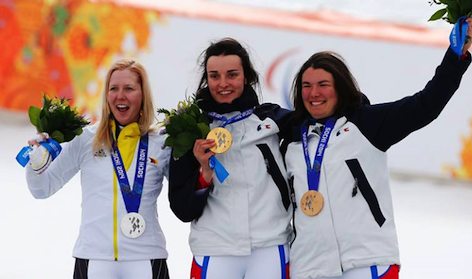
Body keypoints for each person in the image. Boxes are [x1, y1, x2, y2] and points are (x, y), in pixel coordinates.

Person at [282, 19, 472, 279]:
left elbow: (426, 104)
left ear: (340, 88)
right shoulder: (290, 140)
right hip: (309, 268)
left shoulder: (367, 124)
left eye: (323, 85)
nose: (314, 93)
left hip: (368, 262)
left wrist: (455, 57)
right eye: (306, 86)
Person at [25, 59, 171, 279]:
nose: (120, 96)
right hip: (93, 259)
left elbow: (187, 197)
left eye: (129, 88)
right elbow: (42, 189)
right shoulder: (86, 140)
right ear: (106, 95)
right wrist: (35, 163)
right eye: (114, 88)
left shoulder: (160, 143)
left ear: (143, 95)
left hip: (146, 259)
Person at [168, 38, 293, 279]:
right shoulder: (190, 130)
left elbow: (322, 116)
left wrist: (355, 101)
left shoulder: (273, 120)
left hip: (269, 248)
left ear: (246, 77)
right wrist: (204, 173)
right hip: (215, 251)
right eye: (214, 76)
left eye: (232, 74)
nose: (223, 83)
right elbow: (182, 210)